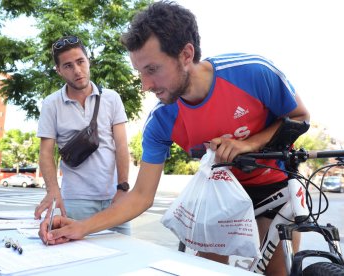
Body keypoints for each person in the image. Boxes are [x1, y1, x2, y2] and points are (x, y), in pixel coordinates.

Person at [38, 2, 310, 275]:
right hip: (218, 192)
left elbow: (300, 117)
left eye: (152, 69)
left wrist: (249, 143)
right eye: (140, 72)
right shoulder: (161, 120)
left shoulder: (252, 72)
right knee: (209, 269)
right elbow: (141, 196)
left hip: (272, 184)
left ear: (186, 54)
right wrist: (80, 227)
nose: (145, 85)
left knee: (279, 271)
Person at [34, 35, 131, 235]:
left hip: (115, 198)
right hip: (76, 200)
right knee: (80, 260)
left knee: (125, 256)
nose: (77, 71)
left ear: (89, 61)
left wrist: (122, 188)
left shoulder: (112, 98)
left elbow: (121, 145)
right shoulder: (51, 104)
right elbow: (46, 153)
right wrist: (53, 192)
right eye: (68, 66)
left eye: (80, 62)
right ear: (59, 70)